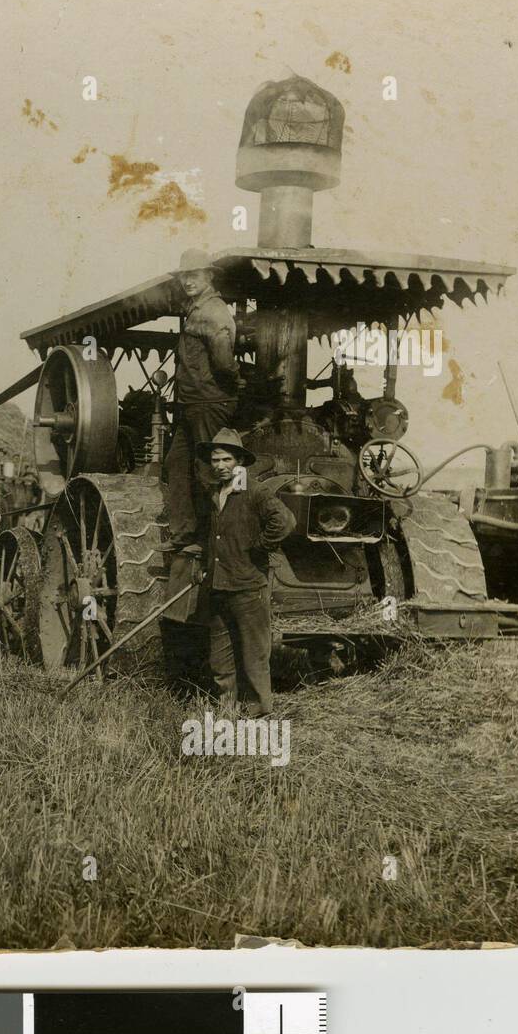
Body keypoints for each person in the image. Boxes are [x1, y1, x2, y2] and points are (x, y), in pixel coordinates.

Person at [197, 428, 294, 717]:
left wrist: (259, 547)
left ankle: (258, 712)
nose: (220, 466)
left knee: (254, 655)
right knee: (220, 655)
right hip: (219, 585)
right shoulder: (215, 492)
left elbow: (285, 521)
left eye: (226, 459)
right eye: (215, 460)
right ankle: (226, 708)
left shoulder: (255, 490)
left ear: (239, 460)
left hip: (248, 586)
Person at [162, 248, 240, 553]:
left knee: (210, 470)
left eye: (193, 275)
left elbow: (223, 362)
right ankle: (184, 534)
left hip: (209, 403)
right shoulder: (197, 310)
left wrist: (232, 383)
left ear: (208, 276)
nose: (187, 282)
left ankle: (211, 541)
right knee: (177, 463)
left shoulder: (213, 311)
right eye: (184, 276)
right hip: (192, 405)